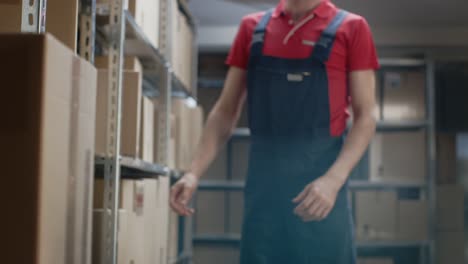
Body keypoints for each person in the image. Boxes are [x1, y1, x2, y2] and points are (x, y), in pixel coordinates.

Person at [170, 0, 379, 263]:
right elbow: (225, 111)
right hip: (264, 195)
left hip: (323, 192)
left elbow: (366, 116)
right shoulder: (253, 28)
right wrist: (193, 173)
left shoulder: (352, 28)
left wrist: (333, 181)